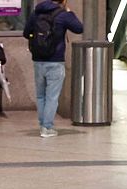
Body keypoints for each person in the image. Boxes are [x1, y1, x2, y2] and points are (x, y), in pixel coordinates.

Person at [24, 0, 83, 137]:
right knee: (52, 96)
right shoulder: (63, 15)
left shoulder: (36, 13)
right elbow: (79, 28)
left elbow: (26, 33)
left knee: (40, 95)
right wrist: (69, 12)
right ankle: (47, 127)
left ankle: (42, 125)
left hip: (38, 60)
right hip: (55, 61)